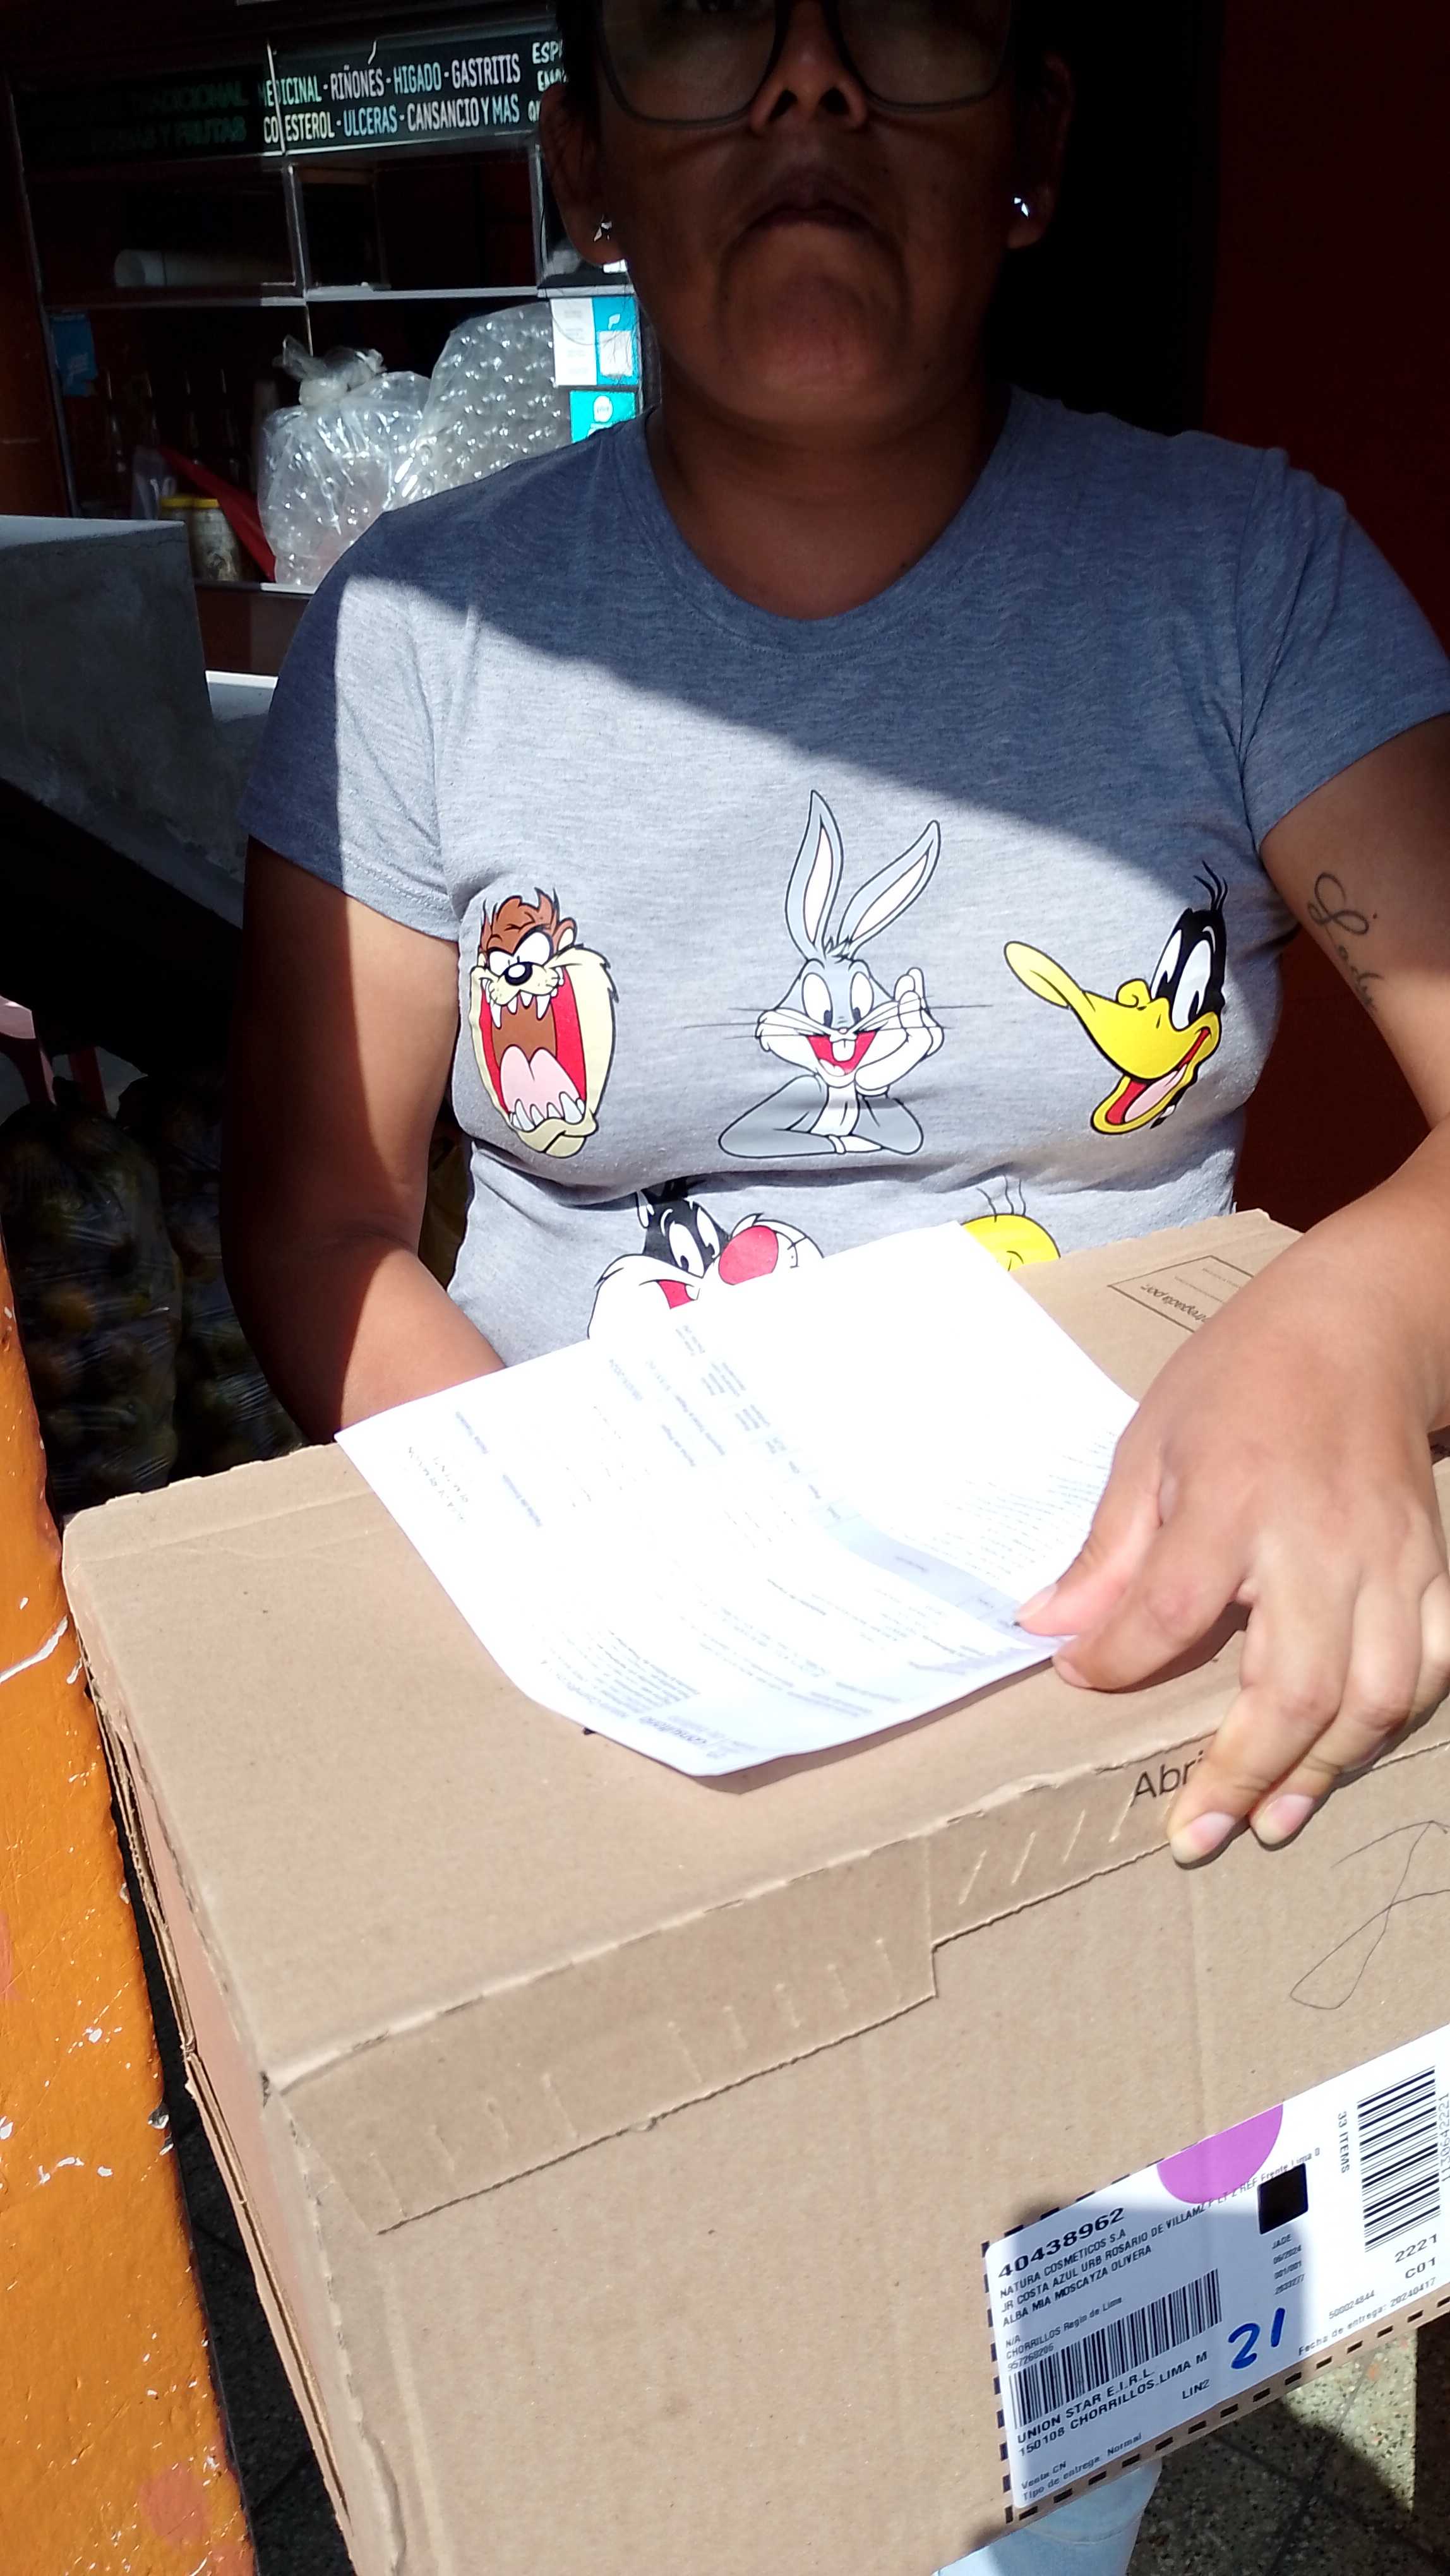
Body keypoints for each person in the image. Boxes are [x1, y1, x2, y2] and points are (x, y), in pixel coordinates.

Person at [225, 3, 1450, 2567]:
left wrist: (1357, 1317)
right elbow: (325, 1219)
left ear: (1034, 141)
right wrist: (586, 1593)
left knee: (1027, 2466)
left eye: (896, 12)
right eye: (709, 25)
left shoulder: (1239, 578)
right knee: (626, 2425)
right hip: (592, 1720)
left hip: (1095, 1736)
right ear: (587, 157)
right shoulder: (428, 631)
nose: (806, 97)